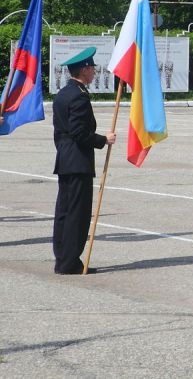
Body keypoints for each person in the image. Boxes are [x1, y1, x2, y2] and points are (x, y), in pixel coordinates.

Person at [51, 47, 116, 275]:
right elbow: (79, 132)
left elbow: (59, 132)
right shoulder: (78, 96)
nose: (94, 73)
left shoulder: (62, 94)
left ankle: (62, 258)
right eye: (92, 69)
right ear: (85, 69)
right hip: (78, 162)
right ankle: (70, 262)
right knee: (77, 215)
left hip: (65, 160)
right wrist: (103, 140)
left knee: (64, 212)